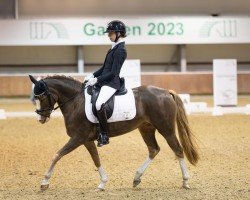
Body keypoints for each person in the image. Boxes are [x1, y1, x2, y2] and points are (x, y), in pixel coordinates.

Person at [85, 20, 127, 147]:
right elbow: (104, 68)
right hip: (105, 80)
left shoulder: (121, 50)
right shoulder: (113, 48)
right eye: (109, 33)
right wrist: (93, 75)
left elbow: (114, 73)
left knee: (99, 104)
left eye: (111, 33)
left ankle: (104, 134)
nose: (108, 35)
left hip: (112, 83)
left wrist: (97, 80)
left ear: (119, 33)